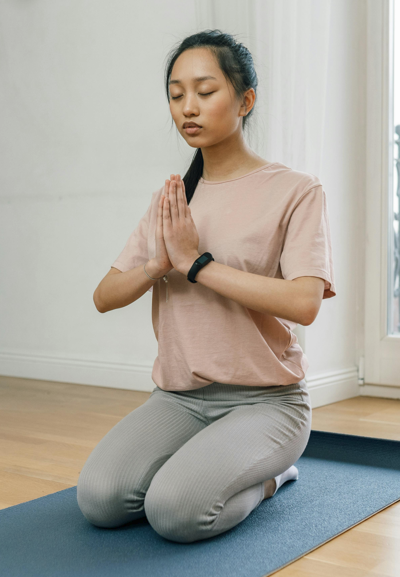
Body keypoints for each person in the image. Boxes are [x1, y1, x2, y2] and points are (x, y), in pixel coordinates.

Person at [78, 29, 336, 544]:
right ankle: (204, 464)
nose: (187, 108)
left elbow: (304, 303)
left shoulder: (295, 190)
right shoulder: (174, 197)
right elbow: (104, 296)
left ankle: (271, 475)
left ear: (245, 100)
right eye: (176, 95)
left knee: (175, 512)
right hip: (178, 398)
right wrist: (159, 265)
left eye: (205, 91)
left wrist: (197, 265)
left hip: (267, 402)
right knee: (100, 500)